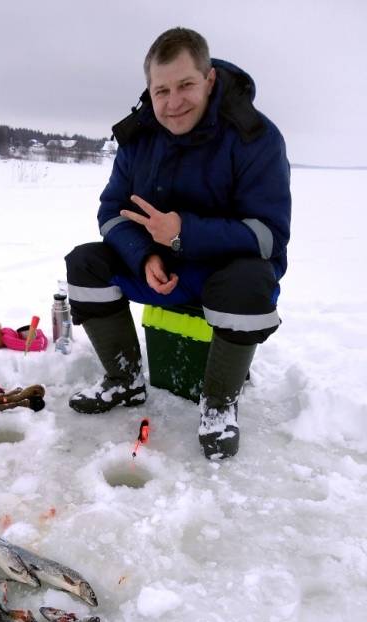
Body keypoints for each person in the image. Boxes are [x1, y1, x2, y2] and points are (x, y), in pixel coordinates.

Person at [65, 27, 291, 459]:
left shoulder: (255, 137)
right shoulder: (139, 137)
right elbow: (111, 211)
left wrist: (185, 232)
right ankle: (124, 379)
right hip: (159, 265)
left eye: (185, 85)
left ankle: (220, 404)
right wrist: (145, 253)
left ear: (208, 80)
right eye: (160, 90)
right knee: (85, 263)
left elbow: (270, 235)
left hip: (223, 272)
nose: (173, 102)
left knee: (251, 281)